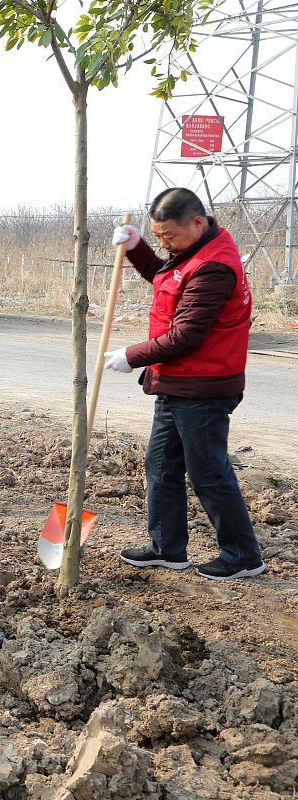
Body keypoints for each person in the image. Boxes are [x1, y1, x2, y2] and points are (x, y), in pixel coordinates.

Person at [106, 188, 265, 581]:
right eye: (158, 237)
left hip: (204, 387)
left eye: (168, 237)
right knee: (161, 466)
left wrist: (132, 355)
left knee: (208, 472)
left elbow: (186, 337)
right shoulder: (192, 252)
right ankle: (167, 548)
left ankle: (243, 555)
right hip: (175, 382)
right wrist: (138, 248)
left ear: (197, 223)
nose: (165, 245)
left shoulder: (215, 267)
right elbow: (166, 278)